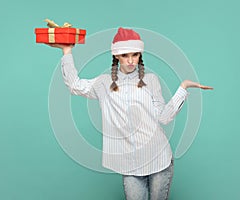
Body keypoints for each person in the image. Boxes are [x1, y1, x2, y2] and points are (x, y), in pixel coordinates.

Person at [49, 27, 213, 200]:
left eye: (134, 55)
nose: (130, 61)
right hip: (129, 164)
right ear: (117, 56)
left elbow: (164, 117)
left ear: (139, 55)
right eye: (125, 55)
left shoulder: (151, 80)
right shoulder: (103, 83)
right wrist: (67, 52)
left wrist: (183, 88)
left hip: (159, 158)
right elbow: (74, 85)